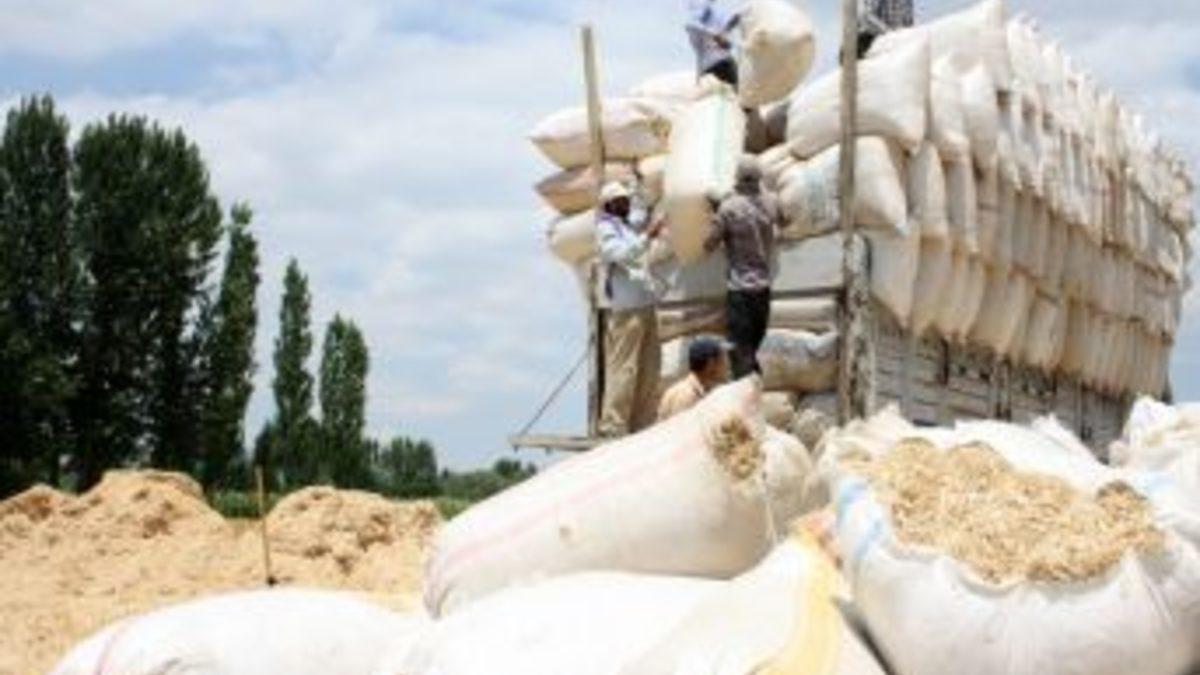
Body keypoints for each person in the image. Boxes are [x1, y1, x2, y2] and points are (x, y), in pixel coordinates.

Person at [597, 181, 666, 437]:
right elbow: (622, 255)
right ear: (610, 205)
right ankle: (614, 425)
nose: (626, 205)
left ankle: (642, 424)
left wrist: (638, 185)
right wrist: (649, 236)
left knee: (649, 368)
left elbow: (641, 211)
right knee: (624, 368)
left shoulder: (625, 226)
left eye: (626, 200)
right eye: (621, 201)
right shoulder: (606, 229)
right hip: (627, 309)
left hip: (644, 304)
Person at [705, 156, 783, 379]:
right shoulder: (772, 202)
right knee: (752, 350)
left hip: (740, 291)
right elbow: (785, 219)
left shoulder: (728, 208)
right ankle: (754, 387)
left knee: (740, 352)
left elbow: (709, 244)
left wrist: (714, 214)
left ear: (737, 177)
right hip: (763, 289)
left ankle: (746, 393)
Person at [657, 336, 731, 421]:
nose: (728, 365)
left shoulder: (701, 392)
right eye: (724, 359)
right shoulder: (686, 396)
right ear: (710, 364)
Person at [685, 0, 741, 88]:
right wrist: (716, 36)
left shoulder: (716, 17)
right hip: (717, 64)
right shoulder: (696, 19)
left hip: (717, 63)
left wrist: (723, 39)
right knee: (739, 84)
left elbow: (727, 44)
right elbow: (692, 26)